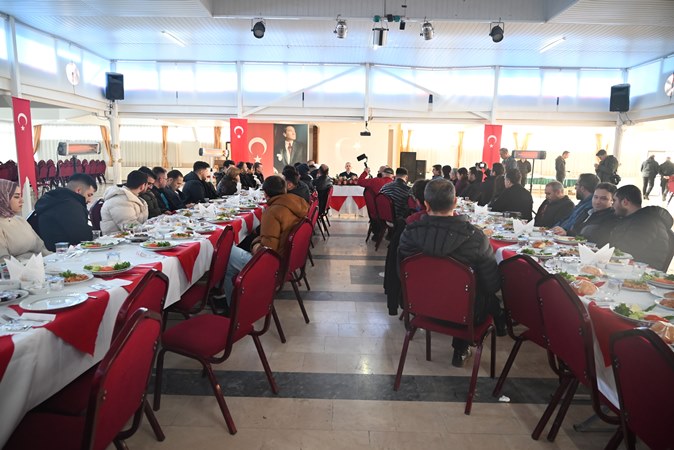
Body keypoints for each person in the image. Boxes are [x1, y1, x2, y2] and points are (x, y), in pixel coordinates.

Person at [398, 178, 502, 367]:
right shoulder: (476, 238)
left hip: (421, 307)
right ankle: (460, 349)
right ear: (455, 202)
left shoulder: (408, 235)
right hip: (467, 315)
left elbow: (402, 275)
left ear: (426, 204)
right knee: (480, 294)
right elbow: (492, 284)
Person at [224, 175, 309, 300]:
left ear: (265, 193)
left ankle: (233, 303)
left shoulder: (273, 211)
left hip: (273, 265)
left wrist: (255, 245)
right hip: (288, 260)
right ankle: (236, 296)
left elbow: (268, 249)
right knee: (233, 257)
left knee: (227, 251)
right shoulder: (297, 204)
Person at [610, 185, 674, 271]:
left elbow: (625, 252)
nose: (612, 205)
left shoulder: (644, 222)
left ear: (625, 202)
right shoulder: (635, 219)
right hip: (630, 269)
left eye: (614, 201)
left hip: (642, 273)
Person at [34, 173, 96, 251]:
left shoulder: (53, 199)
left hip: (50, 250)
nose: (90, 200)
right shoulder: (70, 205)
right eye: (89, 195)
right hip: (65, 252)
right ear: (78, 191)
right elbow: (83, 236)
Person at [554, 182, 618, 247]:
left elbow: (596, 239)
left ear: (612, 201)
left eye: (603, 199)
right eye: (595, 197)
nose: (597, 202)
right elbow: (575, 231)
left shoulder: (612, 218)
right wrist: (565, 232)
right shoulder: (587, 212)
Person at [0, 179, 49, 261]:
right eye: (16, 197)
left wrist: (57, 258)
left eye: (21, 196)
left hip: (40, 264)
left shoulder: (20, 220)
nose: (22, 201)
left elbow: (41, 247)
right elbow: (3, 261)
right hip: (20, 267)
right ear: (3, 198)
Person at [100, 170, 149, 234]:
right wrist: (150, 229)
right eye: (148, 184)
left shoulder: (130, 197)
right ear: (143, 186)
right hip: (116, 237)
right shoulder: (120, 200)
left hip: (128, 236)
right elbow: (128, 226)